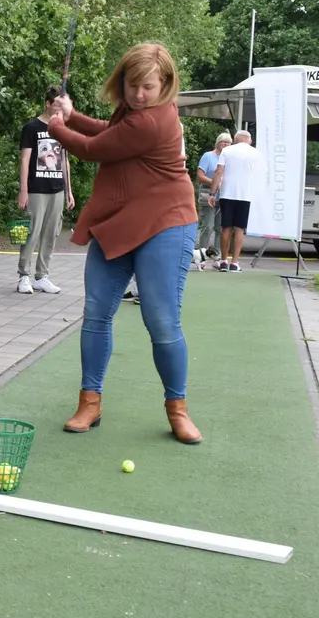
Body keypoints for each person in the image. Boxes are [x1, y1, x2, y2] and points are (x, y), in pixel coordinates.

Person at [45, 42, 202, 444]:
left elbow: (94, 149)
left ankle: (178, 409)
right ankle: (89, 402)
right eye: (132, 85)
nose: (138, 94)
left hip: (164, 223)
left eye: (148, 86)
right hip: (118, 221)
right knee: (96, 311)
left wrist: (57, 126)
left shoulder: (154, 120)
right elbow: (109, 132)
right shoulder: (133, 115)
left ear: (165, 84)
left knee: (161, 320)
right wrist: (74, 115)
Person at [16, 86, 78, 294]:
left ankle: (42, 275)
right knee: (32, 232)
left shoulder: (62, 129)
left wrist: (69, 190)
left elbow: (65, 160)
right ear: (48, 103)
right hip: (37, 188)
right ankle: (23, 275)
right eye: (56, 105)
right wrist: (24, 190)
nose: (59, 110)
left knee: (51, 233)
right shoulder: (32, 128)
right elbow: (25, 159)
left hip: (57, 188)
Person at [210, 130, 261, 272]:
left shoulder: (227, 151)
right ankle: (235, 262)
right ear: (249, 141)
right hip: (246, 195)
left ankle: (224, 261)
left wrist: (212, 193)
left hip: (227, 194)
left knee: (225, 228)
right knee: (239, 229)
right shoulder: (256, 153)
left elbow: (219, 171)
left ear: (235, 139)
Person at [196, 133, 231, 253]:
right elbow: (200, 176)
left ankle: (217, 254)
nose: (225, 144)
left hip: (224, 195)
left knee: (220, 228)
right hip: (207, 191)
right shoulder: (208, 156)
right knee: (208, 226)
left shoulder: (229, 158)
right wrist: (214, 183)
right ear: (217, 142)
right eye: (223, 141)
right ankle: (201, 254)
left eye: (228, 142)